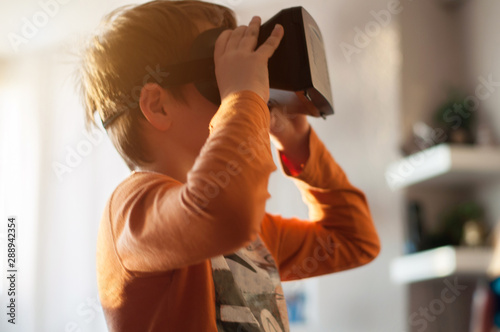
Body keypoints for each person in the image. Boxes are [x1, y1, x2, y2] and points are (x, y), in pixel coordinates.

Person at [77, 1, 381, 331]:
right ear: (158, 106)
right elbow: (224, 212)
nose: (235, 84)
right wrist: (244, 96)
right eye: (218, 69)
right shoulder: (132, 210)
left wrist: (298, 146)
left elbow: (354, 239)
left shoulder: (255, 235)